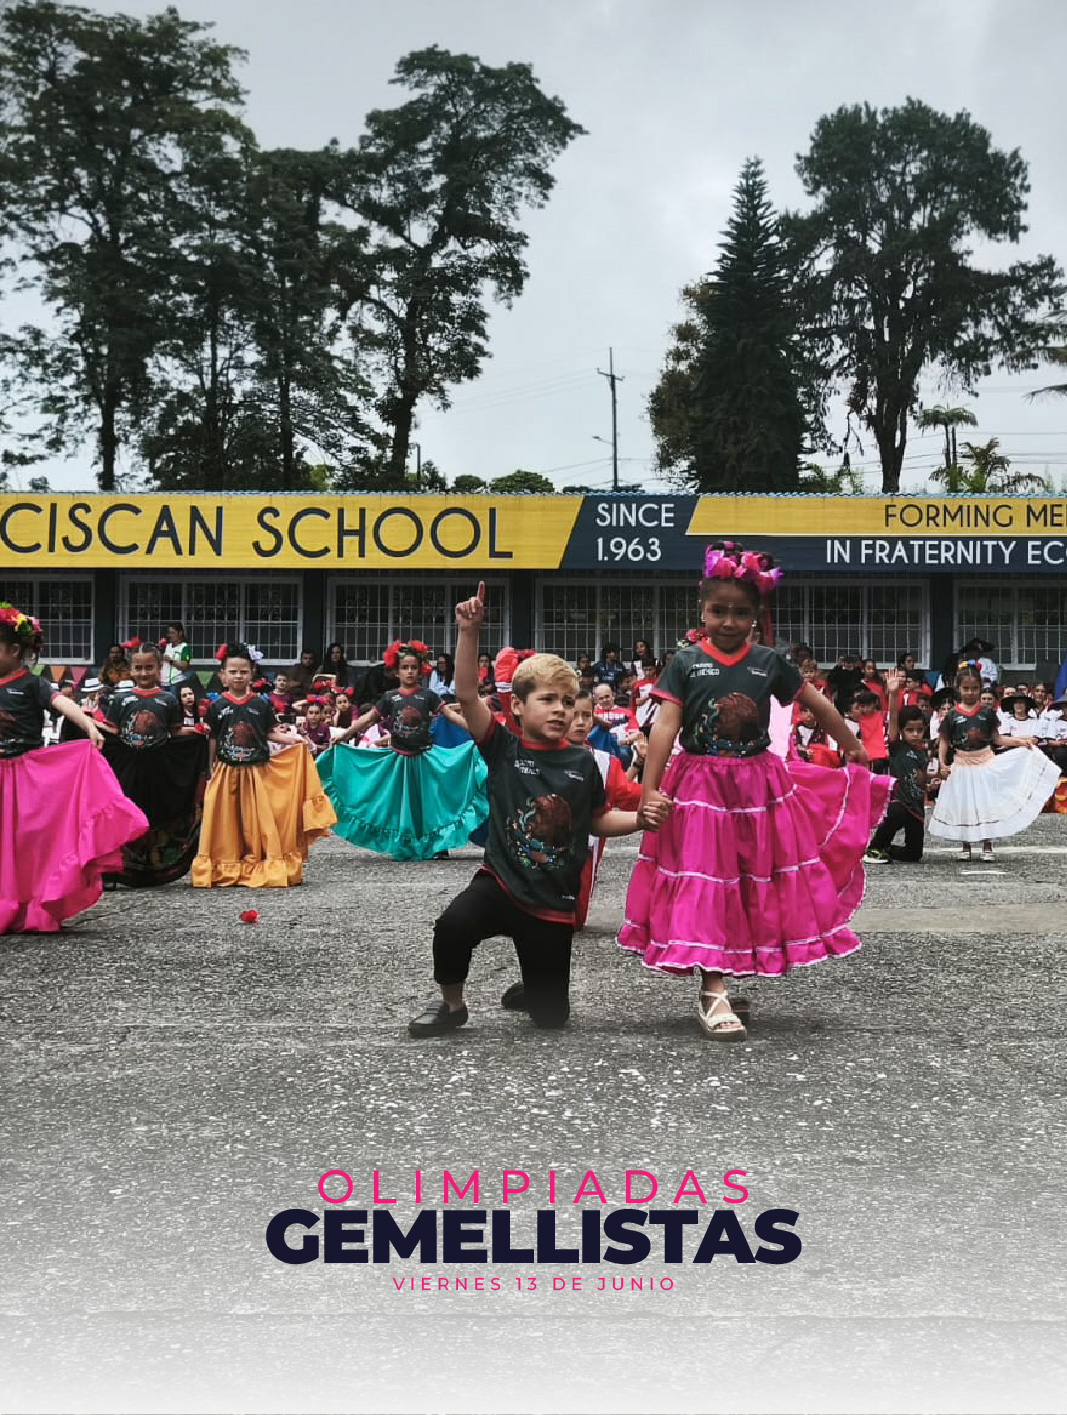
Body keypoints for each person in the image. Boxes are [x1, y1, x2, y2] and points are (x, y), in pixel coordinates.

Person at [618, 543, 892, 1042]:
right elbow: (667, 727)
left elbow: (818, 704)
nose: (728, 621)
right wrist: (649, 789)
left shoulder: (769, 662)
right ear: (701, 611)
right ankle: (713, 987)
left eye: (741, 612)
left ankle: (727, 966)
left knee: (748, 880)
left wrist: (851, 745)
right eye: (718, 610)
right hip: (699, 787)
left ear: (756, 616)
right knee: (707, 879)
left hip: (758, 786)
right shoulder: (685, 662)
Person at [408, 584, 670, 1037]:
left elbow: (596, 820)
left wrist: (639, 820)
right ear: (517, 705)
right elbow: (466, 694)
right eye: (547, 700)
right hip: (499, 884)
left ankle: (535, 987)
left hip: (552, 901)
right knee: (452, 926)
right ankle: (452, 1005)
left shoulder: (583, 764)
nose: (560, 711)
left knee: (551, 1019)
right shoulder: (502, 747)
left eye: (567, 702)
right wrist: (468, 631)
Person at [0, 602, 150, 933]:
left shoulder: (31, 683)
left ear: (14, 650)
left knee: (28, 842)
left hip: (24, 775)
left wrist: (88, 725)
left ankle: (30, 904)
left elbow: (62, 702)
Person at [317, 639, 488, 861]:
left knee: (430, 803)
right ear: (396, 671)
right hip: (399, 760)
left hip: (425, 759)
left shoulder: (428, 696)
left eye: (413, 667)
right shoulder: (390, 697)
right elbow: (369, 718)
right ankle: (403, 842)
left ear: (421, 670)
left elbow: (450, 715)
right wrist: (345, 735)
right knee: (400, 805)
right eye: (405, 667)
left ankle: (438, 844)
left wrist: (476, 730)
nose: (409, 671)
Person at [192, 642, 335, 887]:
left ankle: (257, 861)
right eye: (233, 672)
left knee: (256, 822)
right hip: (226, 771)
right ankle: (227, 865)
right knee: (226, 822)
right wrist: (211, 766)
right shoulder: (217, 706)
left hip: (255, 772)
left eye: (243, 671)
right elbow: (213, 738)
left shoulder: (260, 704)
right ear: (223, 675)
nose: (238, 676)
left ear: (252, 673)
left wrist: (294, 741)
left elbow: (269, 732)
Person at [99, 644, 209, 886]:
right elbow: (112, 732)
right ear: (131, 669)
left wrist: (196, 732)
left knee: (152, 815)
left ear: (159, 668)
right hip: (127, 769)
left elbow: (175, 732)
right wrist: (88, 725)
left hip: (158, 768)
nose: (144, 673)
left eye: (149, 667)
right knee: (123, 812)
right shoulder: (120, 699)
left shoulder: (168, 700)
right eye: (138, 668)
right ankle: (114, 871)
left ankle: (153, 870)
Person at [929, 666, 1060, 863]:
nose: (970, 692)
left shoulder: (987, 713)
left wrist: (1020, 742)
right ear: (959, 689)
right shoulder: (952, 715)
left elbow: (997, 739)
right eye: (966, 688)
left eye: (974, 688)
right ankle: (966, 845)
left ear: (980, 688)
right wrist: (941, 763)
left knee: (986, 804)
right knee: (964, 805)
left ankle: (987, 844)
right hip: (961, 765)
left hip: (985, 763)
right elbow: (944, 741)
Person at [864, 670, 930, 864]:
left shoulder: (923, 752)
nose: (915, 734)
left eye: (919, 730)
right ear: (902, 731)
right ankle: (875, 848)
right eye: (910, 730)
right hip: (899, 802)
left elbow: (920, 777)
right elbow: (893, 718)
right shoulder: (897, 746)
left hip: (916, 806)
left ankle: (887, 849)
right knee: (896, 813)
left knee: (914, 855)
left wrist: (937, 777)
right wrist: (893, 694)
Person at [161, 622, 193, 688]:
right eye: (169, 633)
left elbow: (184, 665)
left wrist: (170, 661)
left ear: (180, 633)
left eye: (173, 633)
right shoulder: (167, 646)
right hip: (164, 682)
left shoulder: (184, 647)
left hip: (176, 682)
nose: (170, 635)